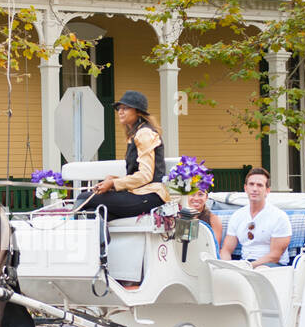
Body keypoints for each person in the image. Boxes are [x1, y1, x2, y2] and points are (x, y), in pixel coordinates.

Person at [80, 90, 168, 218]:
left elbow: (146, 176)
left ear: (138, 112)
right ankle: (99, 238)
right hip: (138, 193)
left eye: (125, 108)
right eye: (119, 108)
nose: (120, 111)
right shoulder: (137, 133)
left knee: (84, 198)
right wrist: (114, 180)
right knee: (95, 212)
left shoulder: (144, 133)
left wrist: (113, 184)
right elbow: (136, 174)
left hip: (149, 195)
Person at [220, 167, 291, 267]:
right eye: (251, 184)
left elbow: (275, 256)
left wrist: (249, 266)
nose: (254, 189)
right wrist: (226, 266)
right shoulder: (237, 216)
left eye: (259, 185)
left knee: (260, 271)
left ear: (267, 190)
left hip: (272, 266)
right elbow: (226, 250)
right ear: (245, 188)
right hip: (245, 263)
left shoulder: (279, 217)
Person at [187, 187, 224, 253]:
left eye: (200, 194)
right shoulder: (179, 217)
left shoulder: (213, 219)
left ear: (206, 197)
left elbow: (215, 249)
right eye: (192, 194)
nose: (196, 198)